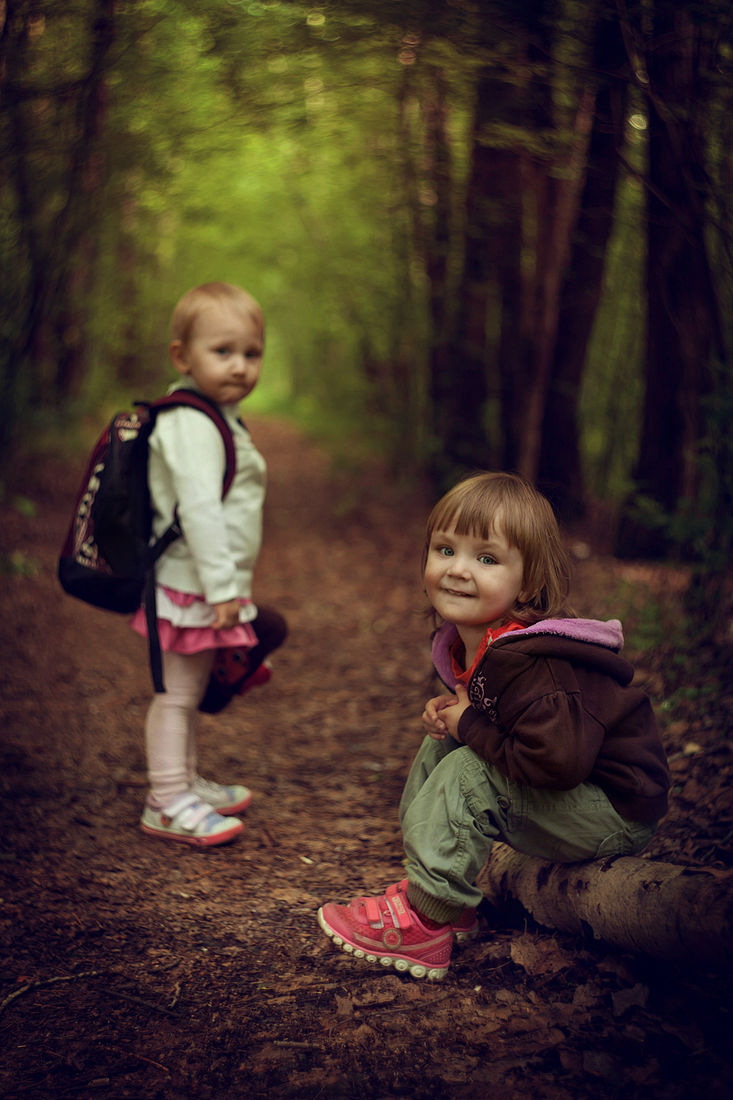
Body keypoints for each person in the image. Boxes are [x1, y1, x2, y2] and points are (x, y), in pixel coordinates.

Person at [317, 472, 670, 979]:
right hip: (572, 795)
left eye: (486, 558)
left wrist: (471, 729)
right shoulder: (483, 642)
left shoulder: (532, 663)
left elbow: (558, 760)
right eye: (445, 550)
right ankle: (443, 896)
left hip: (611, 809)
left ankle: (425, 923)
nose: (459, 570)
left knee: (467, 769)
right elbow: (509, 726)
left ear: (527, 582)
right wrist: (459, 718)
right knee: (441, 744)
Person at [131, 282, 286, 847]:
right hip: (189, 585)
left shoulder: (215, 416)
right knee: (175, 694)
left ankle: (182, 782)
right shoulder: (191, 422)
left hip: (200, 584)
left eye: (251, 353)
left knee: (188, 690)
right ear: (182, 356)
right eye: (223, 352)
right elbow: (198, 509)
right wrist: (223, 589)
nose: (241, 366)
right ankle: (166, 798)